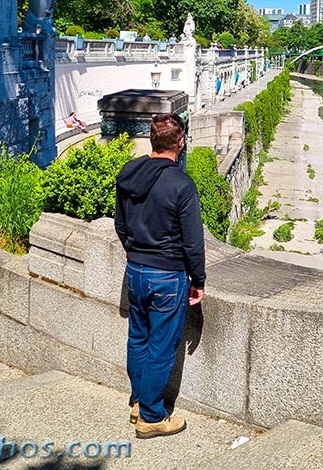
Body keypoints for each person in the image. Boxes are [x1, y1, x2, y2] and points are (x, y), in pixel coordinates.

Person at [115, 113, 205, 439]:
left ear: (152, 140)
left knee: (138, 339)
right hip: (167, 276)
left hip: (135, 270)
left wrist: (136, 253)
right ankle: (152, 416)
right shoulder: (181, 184)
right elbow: (193, 241)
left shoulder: (128, 173)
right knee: (162, 347)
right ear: (180, 144)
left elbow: (121, 225)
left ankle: (138, 401)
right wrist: (199, 280)